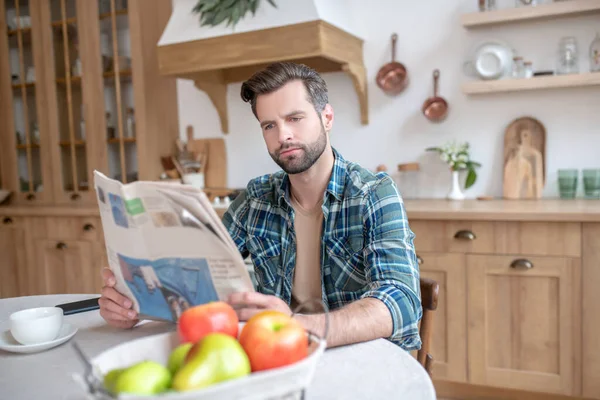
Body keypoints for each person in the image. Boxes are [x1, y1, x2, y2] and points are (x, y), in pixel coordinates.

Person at [98, 62, 422, 350]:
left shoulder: (374, 193)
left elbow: (402, 303)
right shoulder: (256, 198)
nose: (283, 135)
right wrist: (135, 304)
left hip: (360, 361)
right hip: (277, 356)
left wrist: (295, 326)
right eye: (269, 125)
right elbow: (195, 276)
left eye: (295, 118)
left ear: (327, 117)